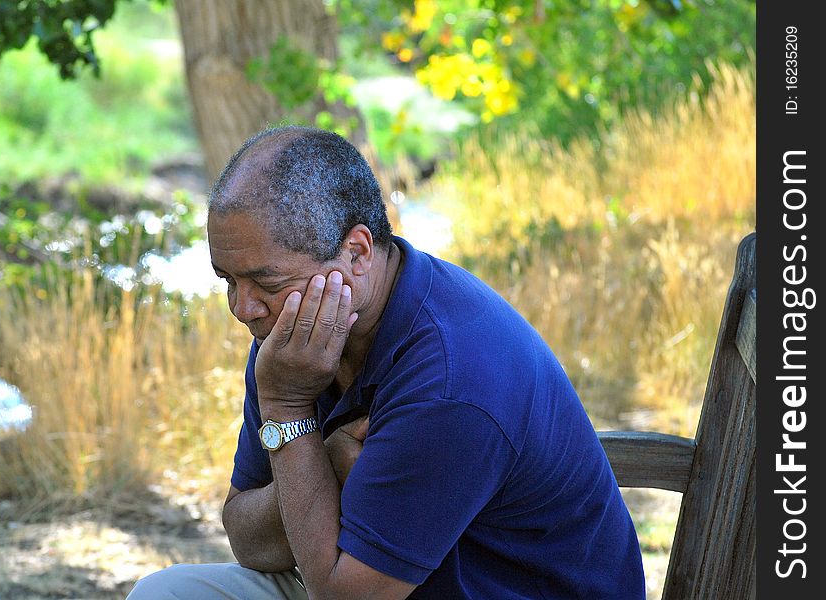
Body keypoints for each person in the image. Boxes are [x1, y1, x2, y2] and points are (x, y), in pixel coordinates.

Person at [128, 126, 645, 599]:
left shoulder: (450, 378)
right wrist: (323, 459)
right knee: (164, 594)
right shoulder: (293, 339)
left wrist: (287, 409)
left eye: (266, 282)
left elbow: (344, 598)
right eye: (227, 281)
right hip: (370, 581)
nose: (243, 309)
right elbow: (249, 540)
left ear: (356, 252)